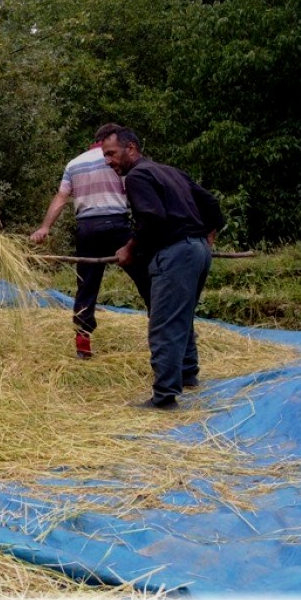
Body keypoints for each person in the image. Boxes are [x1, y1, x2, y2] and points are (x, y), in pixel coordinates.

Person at [101, 127, 224, 410]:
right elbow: (211, 204)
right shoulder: (170, 172)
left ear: (131, 148)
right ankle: (188, 374)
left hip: (175, 254)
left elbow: (152, 219)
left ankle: (165, 397)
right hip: (197, 252)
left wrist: (129, 248)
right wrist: (207, 238)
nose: (108, 161)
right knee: (182, 315)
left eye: (111, 154)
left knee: (164, 324)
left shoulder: (137, 176)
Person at [31, 123, 150, 359]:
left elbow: (62, 197)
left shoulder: (74, 164)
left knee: (86, 287)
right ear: (109, 139)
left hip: (86, 229)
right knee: (147, 279)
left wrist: (45, 227)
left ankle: (83, 345)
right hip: (117, 225)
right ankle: (164, 328)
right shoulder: (119, 159)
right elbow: (134, 191)